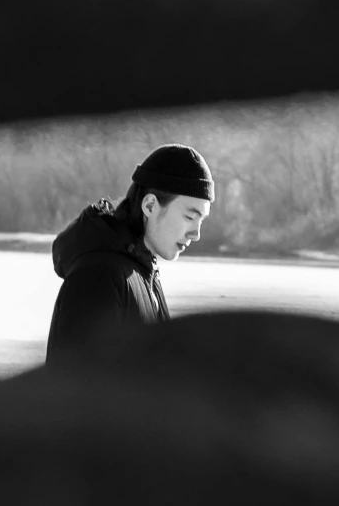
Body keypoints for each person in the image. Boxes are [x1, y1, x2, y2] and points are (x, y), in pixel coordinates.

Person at [44, 144, 215, 364]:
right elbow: (75, 390)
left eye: (201, 221)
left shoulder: (144, 271)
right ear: (150, 205)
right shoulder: (98, 277)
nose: (196, 234)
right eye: (190, 217)